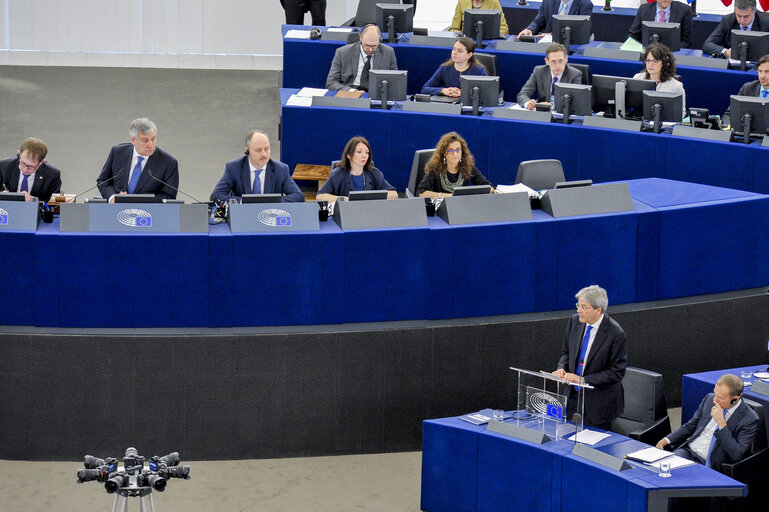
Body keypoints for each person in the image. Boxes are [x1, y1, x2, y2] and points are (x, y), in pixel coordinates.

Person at [552, 285, 627, 430]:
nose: (578, 310)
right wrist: (561, 368)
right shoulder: (574, 322)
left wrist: (583, 380)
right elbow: (566, 352)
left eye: (584, 307)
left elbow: (616, 373)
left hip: (598, 404)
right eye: (578, 305)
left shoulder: (616, 334)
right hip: (571, 397)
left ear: (598, 309)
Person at [656, 374, 760, 473]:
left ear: (735, 400)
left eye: (720, 398)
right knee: (663, 469)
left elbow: (737, 453)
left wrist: (722, 424)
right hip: (688, 451)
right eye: (715, 393)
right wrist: (665, 441)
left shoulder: (750, 419)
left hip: (710, 463)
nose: (715, 399)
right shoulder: (709, 399)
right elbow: (690, 426)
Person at [97, 118, 178, 203]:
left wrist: (133, 201)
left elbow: (169, 197)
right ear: (133, 140)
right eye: (145, 140)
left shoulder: (168, 163)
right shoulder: (117, 153)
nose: (151, 145)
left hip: (150, 213)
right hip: (116, 210)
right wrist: (113, 197)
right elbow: (103, 181)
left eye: (153, 139)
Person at [210, 130, 304, 203]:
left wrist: (271, 202)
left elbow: (298, 196)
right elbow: (216, 195)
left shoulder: (281, 169)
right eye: (258, 150)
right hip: (243, 215)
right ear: (247, 151)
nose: (264, 154)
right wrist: (245, 202)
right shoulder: (234, 168)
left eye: (266, 149)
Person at [316, 136, 397, 201]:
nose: (364, 155)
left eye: (367, 152)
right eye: (359, 152)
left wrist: (372, 197)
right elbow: (320, 196)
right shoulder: (338, 173)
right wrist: (344, 199)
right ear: (349, 155)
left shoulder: (374, 173)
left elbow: (394, 194)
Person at [416, 132, 492, 198]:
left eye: (458, 150)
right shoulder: (435, 168)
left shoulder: (467, 167)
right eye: (451, 150)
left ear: (462, 152)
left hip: (462, 207)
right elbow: (421, 193)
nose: (455, 154)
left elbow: (489, 188)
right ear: (444, 153)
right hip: (441, 209)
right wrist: (448, 196)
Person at [325, 24, 398, 92]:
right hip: (350, 90)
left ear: (379, 40)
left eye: (374, 46)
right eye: (367, 45)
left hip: (376, 92)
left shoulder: (388, 52)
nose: (370, 49)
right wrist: (351, 91)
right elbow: (331, 82)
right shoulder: (342, 52)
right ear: (361, 38)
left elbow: (395, 81)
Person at [517, 43, 582, 110]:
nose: (557, 65)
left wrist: (551, 105)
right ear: (546, 61)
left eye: (560, 61)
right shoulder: (539, 71)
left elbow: (574, 102)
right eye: (553, 61)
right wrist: (528, 103)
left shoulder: (575, 75)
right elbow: (522, 95)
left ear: (566, 59)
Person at [0, 138, 61, 203]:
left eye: (31, 166)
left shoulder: (52, 175)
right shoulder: (4, 166)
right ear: (19, 153)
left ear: (41, 162)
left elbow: (53, 205)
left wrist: (33, 200)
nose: (25, 169)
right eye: (23, 163)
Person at [421, 37, 488, 97]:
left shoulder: (479, 70)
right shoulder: (445, 68)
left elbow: (488, 93)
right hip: (449, 106)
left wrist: (465, 93)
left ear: (469, 55)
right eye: (454, 49)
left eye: (460, 51)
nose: (454, 53)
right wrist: (443, 90)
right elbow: (425, 89)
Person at [702, 0, 769, 58]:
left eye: (746, 16)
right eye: (739, 16)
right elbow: (707, 44)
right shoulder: (728, 20)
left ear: (754, 12)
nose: (742, 20)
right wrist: (726, 52)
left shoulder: (766, 22)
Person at [633, 43, 686, 114]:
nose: (650, 64)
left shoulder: (675, 86)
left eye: (655, 61)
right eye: (648, 60)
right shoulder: (637, 78)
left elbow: (681, 113)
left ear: (664, 63)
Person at [627, 0, 693, 49]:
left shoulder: (684, 10)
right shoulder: (644, 9)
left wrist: (665, 51)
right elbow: (632, 36)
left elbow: (686, 42)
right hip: (647, 52)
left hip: (672, 54)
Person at [518, 0, 593, 37]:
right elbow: (538, 22)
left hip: (570, 46)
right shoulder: (548, 1)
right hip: (546, 46)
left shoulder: (585, 4)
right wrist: (530, 29)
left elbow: (579, 31)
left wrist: (552, 36)